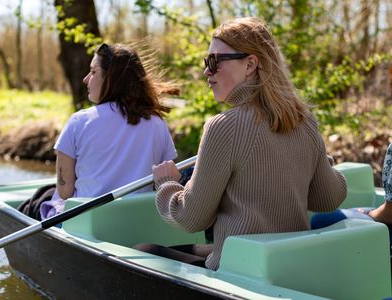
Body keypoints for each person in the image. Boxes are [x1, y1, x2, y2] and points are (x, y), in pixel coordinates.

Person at [139, 17, 348, 271]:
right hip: (289, 267)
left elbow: (191, 218)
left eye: (215, 61)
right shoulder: (305, 122)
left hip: (240, 273)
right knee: (184, 251)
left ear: (250, 64)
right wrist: (317, 158)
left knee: (143, 252)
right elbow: (329, 197)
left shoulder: (222, 127)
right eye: (207, 62)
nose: (207, 71)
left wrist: (167, 184)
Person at [38, 43, 179, 220]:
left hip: (87, 224)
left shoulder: (79, 122)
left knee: (40, 199)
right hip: (135, 220)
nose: (86, 79)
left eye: (94, 72)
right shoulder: (158, 124)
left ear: (112, 79)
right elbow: (167, 182)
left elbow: (65, 192)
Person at [311, 143, 392, 232]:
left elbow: (389, 214)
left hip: (388, 214)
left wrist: (370, 214)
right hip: (386, 210)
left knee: (320, 220)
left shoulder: (308, 132)